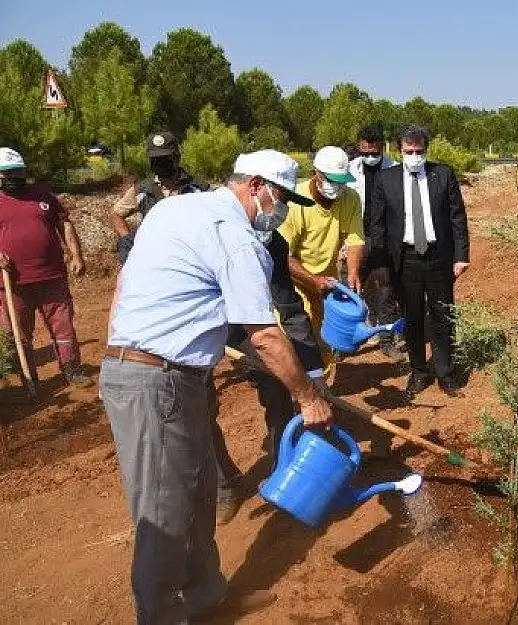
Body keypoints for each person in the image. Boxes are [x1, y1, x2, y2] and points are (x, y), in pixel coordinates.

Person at [100, 149, 333, 623]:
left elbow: (129, 281)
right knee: (163, 514)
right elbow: (264, 333)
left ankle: (207, 596)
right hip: (153, 381)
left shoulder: (174, 209)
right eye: (280, 197)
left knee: (201, 491)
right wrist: (308, 396)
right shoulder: (235, 238)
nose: (281, 209)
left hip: (171, 375)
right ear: (254, 186)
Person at [210, 223, 328, 524]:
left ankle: (283, 468)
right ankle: (225, 482)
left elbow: (289, 308)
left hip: (244, 323)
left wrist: (314, 377)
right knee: (198, 405)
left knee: (279, 379)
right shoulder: (213, 236)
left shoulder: (271, 242)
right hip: (194, 321)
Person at [368, 124, 470, 398]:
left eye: (419, 151)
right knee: (412, 318)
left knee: (443, 316)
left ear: (426, 150)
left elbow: (457, 217)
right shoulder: (385, 179)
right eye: (408, 151)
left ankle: (445, 372)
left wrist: (461, 256)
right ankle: (419, 371)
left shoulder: (443, 174)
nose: (414, 156)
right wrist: (380, 263)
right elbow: (376, 225)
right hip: (405, 260)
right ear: (399, 151)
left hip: (439, 257)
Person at [0, 147, 91, 388]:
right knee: (19, 334)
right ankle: (29, 379)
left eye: (17, 171)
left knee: (63, 327)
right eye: (8, 173)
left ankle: (71, 369)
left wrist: (76, 255)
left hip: (52, 276)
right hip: (13, 283)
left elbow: (65, 224)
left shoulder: (44, 197)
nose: (14, 177)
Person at [278, 146, 364, 382]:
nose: (336, 186)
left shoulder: (350, 198)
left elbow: (355, 239)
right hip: (292, 282)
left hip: (326, 283)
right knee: (297, 341)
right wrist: (312, 280)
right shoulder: (294, 202)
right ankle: (297, 397)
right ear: (316, 172)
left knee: (323, 342)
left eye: (341, 181)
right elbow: (282, 255)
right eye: (331, 180)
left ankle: (322, 395)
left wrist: (354, 272)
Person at [345, 124, 405, 362]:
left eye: (374, 153)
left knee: (386, 287)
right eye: (364, 152)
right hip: (355, 236)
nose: (369, 157)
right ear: (359, 148)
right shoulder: (350, 170)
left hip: (385, 237)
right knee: (351, 286)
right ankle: (348, 340)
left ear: (382, 147)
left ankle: (387, 340)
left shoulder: (395, 170)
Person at [109, 131, 207, 263]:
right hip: (154, 260)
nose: (160, 164)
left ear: (177, 157)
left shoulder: (198, 189)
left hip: (190, 260)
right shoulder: (142, 190)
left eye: (165, 159)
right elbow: (115, 214)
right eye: (155, 160)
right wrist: (129, 239)